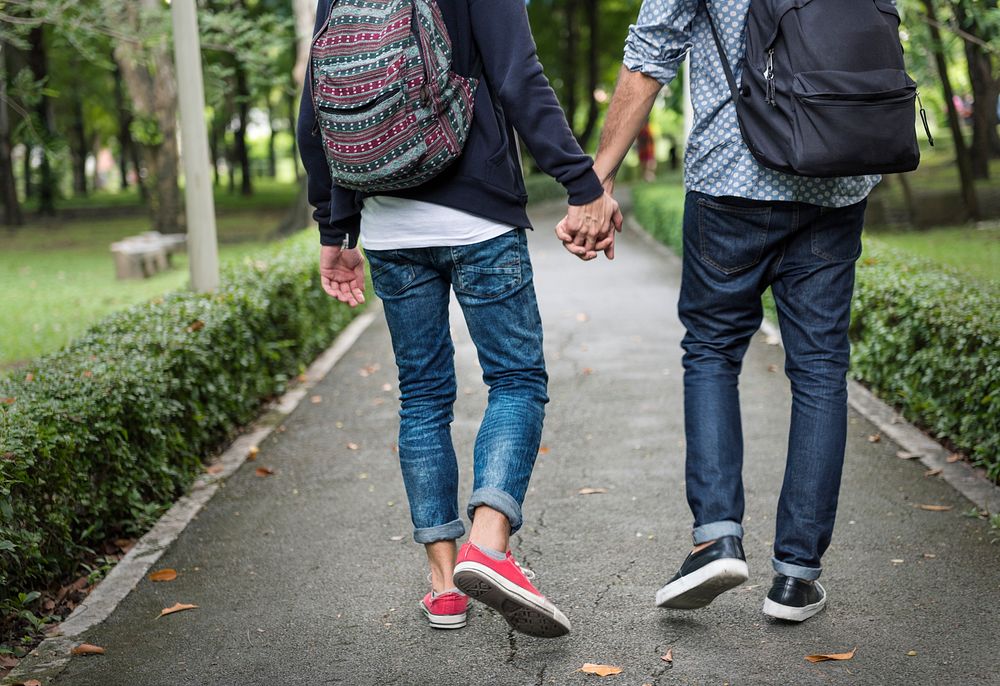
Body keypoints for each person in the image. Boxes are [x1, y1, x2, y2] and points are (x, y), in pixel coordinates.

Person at [298, 0, 620, 637]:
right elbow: (516, 76)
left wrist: (334, 224)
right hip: (480, 216)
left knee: (421, 397)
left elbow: (318, 110)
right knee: (517, 381)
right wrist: (582, 184)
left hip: (388, 222)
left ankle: (445, 588)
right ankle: (488, 545)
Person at [559, 0, 879, 622]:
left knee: (711, 351)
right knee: (819, 369)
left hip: (733, 177)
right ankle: (796, 577)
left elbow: (650, 53)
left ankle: (716, 538)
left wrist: (596, 182)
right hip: (836, 180)